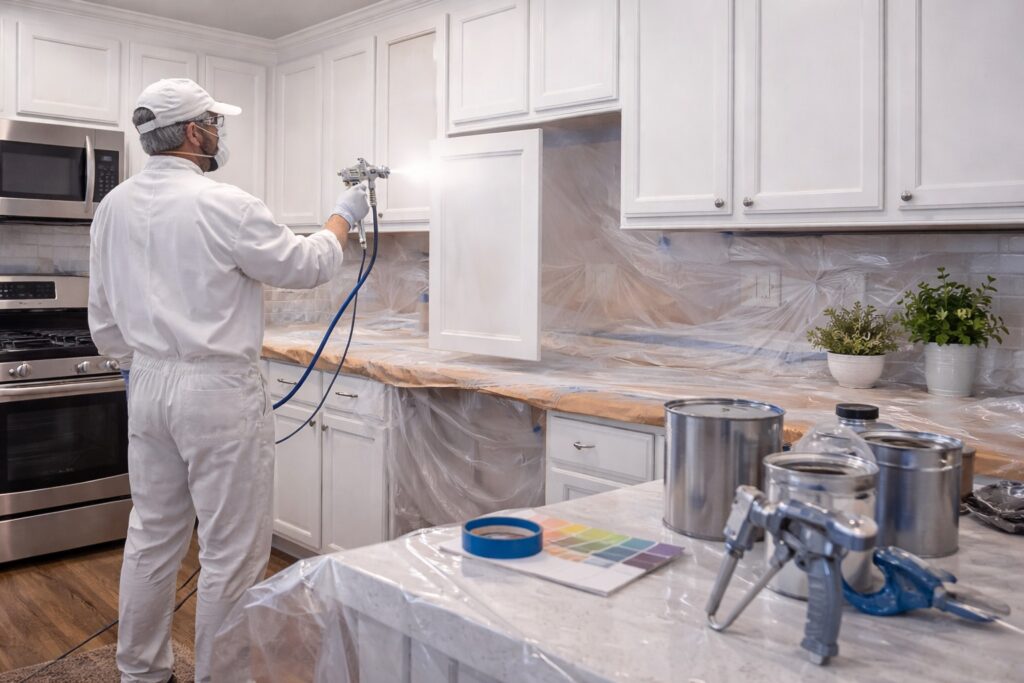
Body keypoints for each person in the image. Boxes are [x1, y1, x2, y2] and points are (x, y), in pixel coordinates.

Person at [87, 78, 369, 683]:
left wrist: (141, 371)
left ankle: (141, 673)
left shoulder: (113, 207)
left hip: (147, 385)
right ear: (193, 132)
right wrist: (345, 213)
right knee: (231, 553)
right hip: (216, 391)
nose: (220, 132)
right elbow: (309, 264)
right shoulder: (226, 204)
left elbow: (103, 315)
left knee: (152, 535)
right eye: (214, 121)